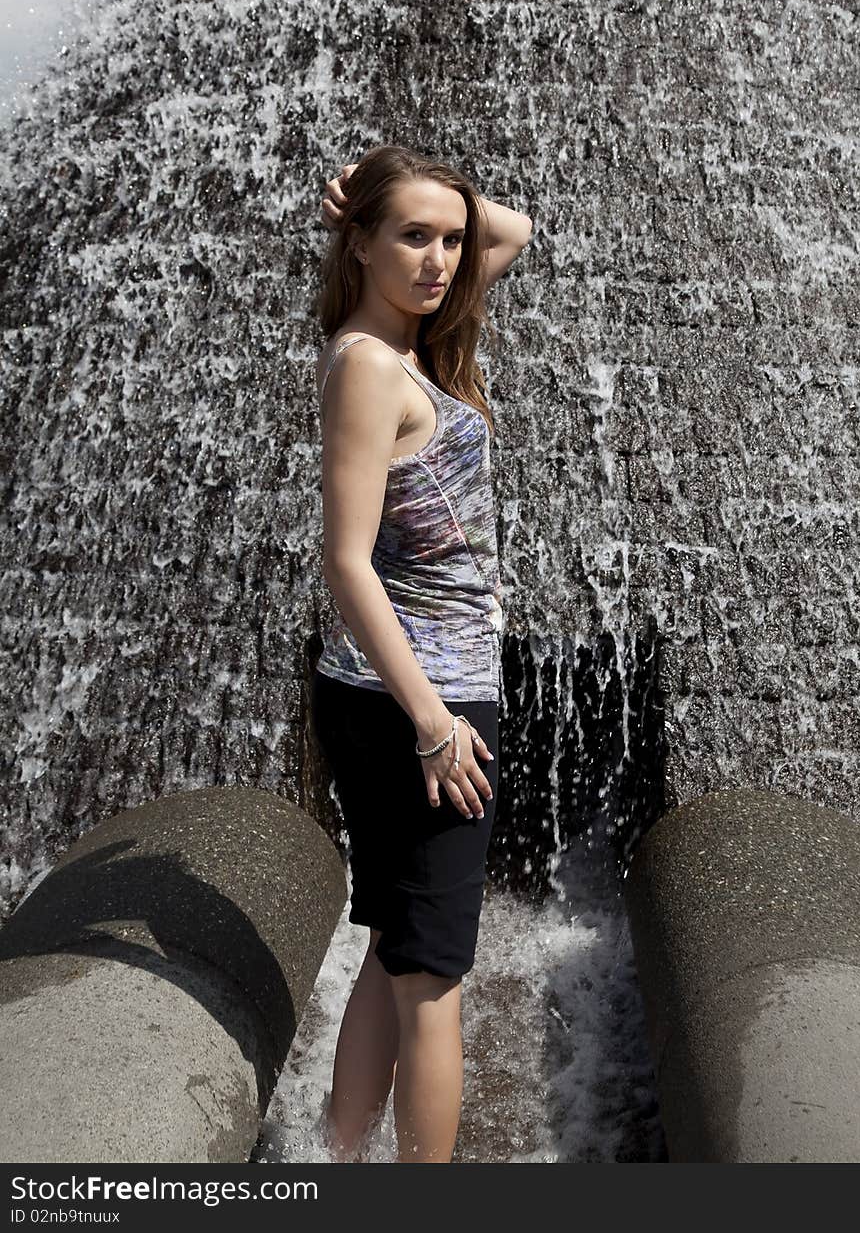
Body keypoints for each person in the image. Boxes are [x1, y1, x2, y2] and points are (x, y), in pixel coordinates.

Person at [309, 144, 532, 1163]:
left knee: (394, 951)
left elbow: (513, 230)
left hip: (395, 692)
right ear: (358, 245)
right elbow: (346, 563)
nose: (442, 258)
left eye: (450, 238)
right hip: (421, 700)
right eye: (412, 236)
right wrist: (435, 724)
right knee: (435, 981)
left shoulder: (403, 341)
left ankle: (337, 1158)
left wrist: (401, 203)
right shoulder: (366, 363)